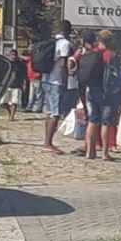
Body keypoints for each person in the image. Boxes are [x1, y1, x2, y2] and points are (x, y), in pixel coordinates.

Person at [81, 29, 121, 161]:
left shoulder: (91, 53)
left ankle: (90, 151)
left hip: (91, 89)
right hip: (107, 93)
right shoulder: (112, 56)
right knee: (105, 122)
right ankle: (105, 153)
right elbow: (118, 75)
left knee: (92, 120)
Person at [41, 20, 73, 155]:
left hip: (45, 79)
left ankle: (47, 142)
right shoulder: (65, 44)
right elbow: (62, 65)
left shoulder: (50, 42)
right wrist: (66, 81)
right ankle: (48, 144)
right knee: (55, 113)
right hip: (56, 81)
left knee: (49, 112)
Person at [2, 49, 27, 121]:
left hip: (17, 85)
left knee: (14, 102)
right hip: (7, 85)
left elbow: (24, 75)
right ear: (9, 55)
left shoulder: (21, 64)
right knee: (4, 102)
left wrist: (24, 84)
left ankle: (12, 116)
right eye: (12, 55)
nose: (13, 56)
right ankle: (10, 112)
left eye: (15, 55)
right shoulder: (7, 64)